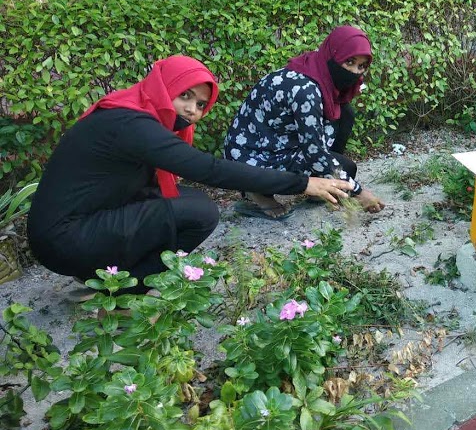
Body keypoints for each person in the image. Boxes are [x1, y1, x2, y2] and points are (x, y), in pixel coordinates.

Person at [27, 55, 353, 288]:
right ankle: (128, 289)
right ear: (163, 86)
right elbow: (209, 169)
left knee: (182, 200)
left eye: (200, 105)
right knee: (199, 212)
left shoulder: (132, 112)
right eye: (185, 96)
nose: (192, 111)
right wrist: (302, 183)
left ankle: (97, 273)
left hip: (82, 221)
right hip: (63, 239)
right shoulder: (132, 125)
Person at [224, 26, 385, 219]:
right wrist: (359, 192)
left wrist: (340, 180)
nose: (353, 72)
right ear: (333, 54)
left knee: (345, 138)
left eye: (360, 67)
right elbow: (314, 152)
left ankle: (322, 184)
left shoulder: (317, 67)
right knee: (341, 175)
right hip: (251, 154)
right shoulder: (306, 90)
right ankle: (256, 193)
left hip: (282, 141)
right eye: (349, 61)